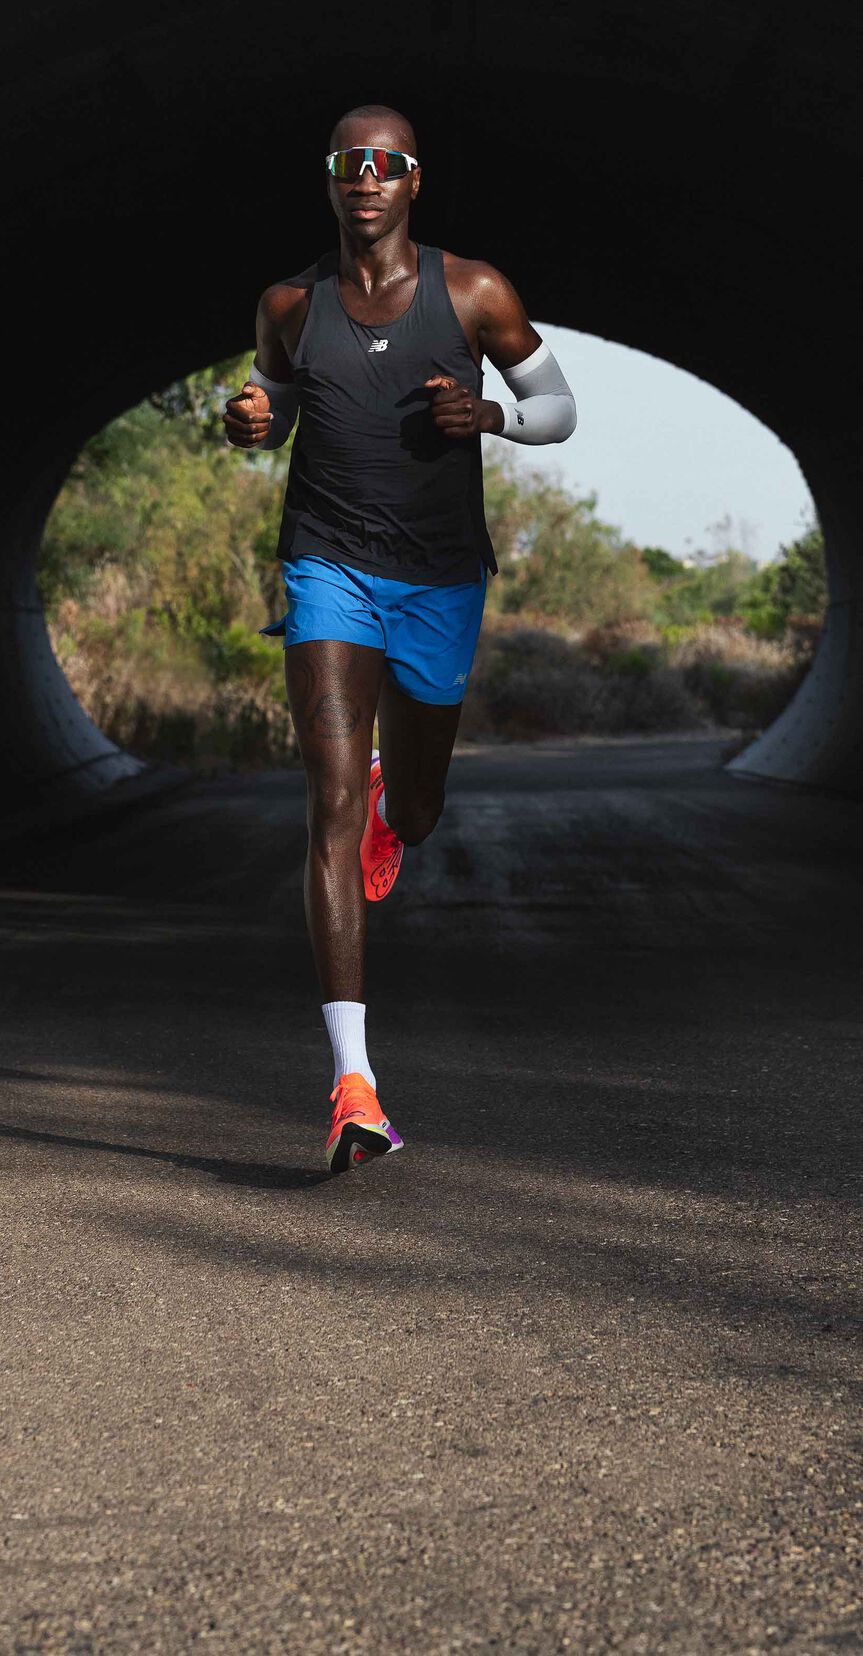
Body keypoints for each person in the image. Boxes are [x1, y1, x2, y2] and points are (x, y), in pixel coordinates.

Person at [223, 104, 576, 1175]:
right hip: (326, 563)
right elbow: (277, 403)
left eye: (382, 163)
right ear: (331, 182)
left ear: (412, 180)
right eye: (346, 163)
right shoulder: (291, 304)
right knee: (327, 801)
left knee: (410, 817)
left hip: (439, 580)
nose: (363, 177)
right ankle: (352, 1082)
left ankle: (397, 792)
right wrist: (251, 421)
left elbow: (556, 404)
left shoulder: (473, 290)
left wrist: (494, 422)